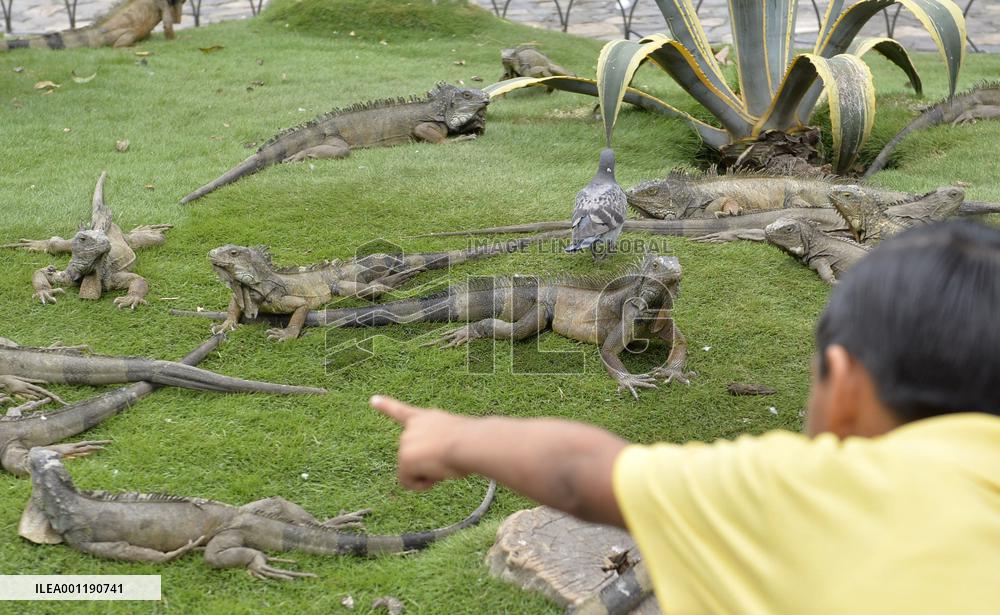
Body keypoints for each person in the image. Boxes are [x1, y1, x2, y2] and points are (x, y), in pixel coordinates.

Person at [370, 221, 1000, 614]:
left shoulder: (789, 484)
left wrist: (453, 436)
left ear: (843, 388)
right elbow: (617, 351)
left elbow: (578, 471)